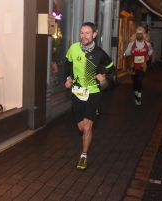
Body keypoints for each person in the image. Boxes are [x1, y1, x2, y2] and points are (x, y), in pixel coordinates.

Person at [64, 22, 116, 170]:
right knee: (81, 127)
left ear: (94, 34)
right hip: (77, 93)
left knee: (87, 126)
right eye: (82, 33)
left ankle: (84, 155)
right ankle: (85, 144)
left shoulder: (99, 53)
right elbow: (67, 65)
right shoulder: (73, 48)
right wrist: (68, 78)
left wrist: (104, 76)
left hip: (94, 93)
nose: (84, 36)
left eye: (87, 33)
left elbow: (112, 69)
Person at [124, 26, 153, 106]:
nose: (139, 35)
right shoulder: (131, 44)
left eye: (141, 34)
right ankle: (136, 94)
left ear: (143, 35)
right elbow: (125, 53)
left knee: (139, 80)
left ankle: (139, 97)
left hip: (142, 65)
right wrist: (131, 52)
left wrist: (148, 56)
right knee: (135, 81)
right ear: (136, 35)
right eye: (138, 34)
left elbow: (150, 50)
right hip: (133, 65)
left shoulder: (147, 44)